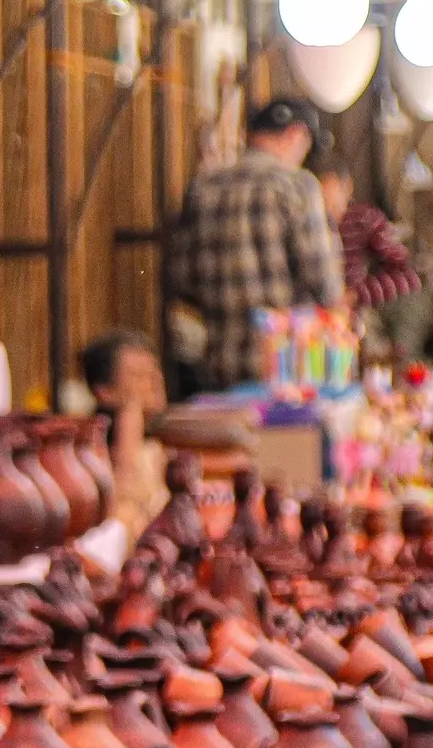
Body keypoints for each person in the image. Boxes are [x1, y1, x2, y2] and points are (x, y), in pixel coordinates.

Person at [165, 97, 345, 391]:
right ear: (295, 135)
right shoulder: (297, 185)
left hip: (219, 367)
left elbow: (183, 278)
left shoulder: (204, 186)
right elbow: (324, 281)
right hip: (286, 369)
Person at [310, 154, 428, 358]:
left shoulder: (362, 220)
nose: (326, 205)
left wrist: (355, 295)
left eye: (329, 193)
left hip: (353, 324)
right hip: (311, 324)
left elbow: (407, 274)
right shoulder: (306, 225)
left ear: (347, 187)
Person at [81, 330, 167, 540]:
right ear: (104, 392)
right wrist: (130, 416)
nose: (154, 381)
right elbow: (124, 495)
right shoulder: (94, 448)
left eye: (154, 371)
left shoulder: (161, 439)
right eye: (139, 375)